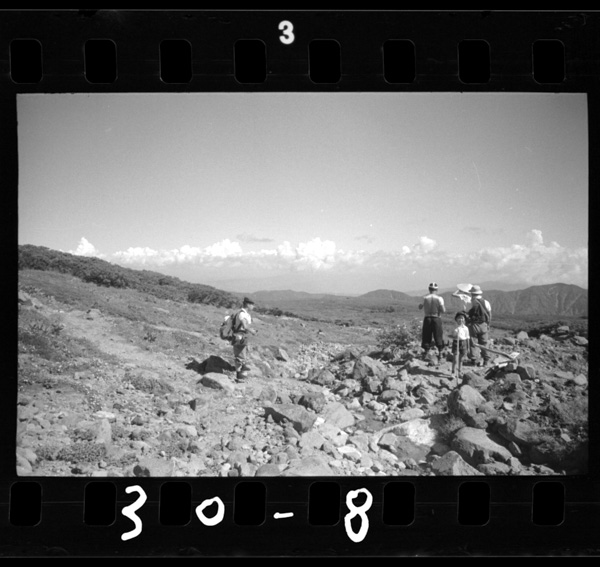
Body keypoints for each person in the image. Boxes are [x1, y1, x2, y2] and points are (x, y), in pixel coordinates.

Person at [232, 297, 258, 382]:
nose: (253, 306)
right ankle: (239, 376)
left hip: (243, 336)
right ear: (248, 304)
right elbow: (245, 326)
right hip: (239, 336)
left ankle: (241, 375)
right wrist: (252, 331)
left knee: (243, 354)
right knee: (240, 356)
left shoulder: (246, 314)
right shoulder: (242, 314)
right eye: (252, 305)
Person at [418, 282, 446, 357]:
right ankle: (440, 352)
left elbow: (420, 307)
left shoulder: (425, 298)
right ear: (437, 290)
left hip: (427, 318)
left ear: (429, 289)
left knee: (426, 335)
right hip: (436, 317)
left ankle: (426, 351)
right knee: (438, 335)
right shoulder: (439, 298)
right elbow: (443, 310)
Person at [466, 285, 492, 366]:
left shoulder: (470, 303)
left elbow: (466, 314)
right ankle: (486, 360)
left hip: (473, 325)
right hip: (483, 325)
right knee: (484, 343)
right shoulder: (486, 302)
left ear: (472, 294)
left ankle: (473, 360)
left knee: (473, 342)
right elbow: (489, 315)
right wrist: (488, 324)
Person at [451, 311, 470, 378]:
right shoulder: (455, 328)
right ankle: (453, 372)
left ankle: (459, 372)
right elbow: (453, 336)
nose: (460, 319)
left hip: (463, 343)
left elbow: (467, 337)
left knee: (461, 359)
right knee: (455, 359)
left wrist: (468, 347)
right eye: (459, 318)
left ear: (464, 320)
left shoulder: (466, 328)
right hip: (456, 342)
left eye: (462, 318)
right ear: (456, 319)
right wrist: (456, 333)